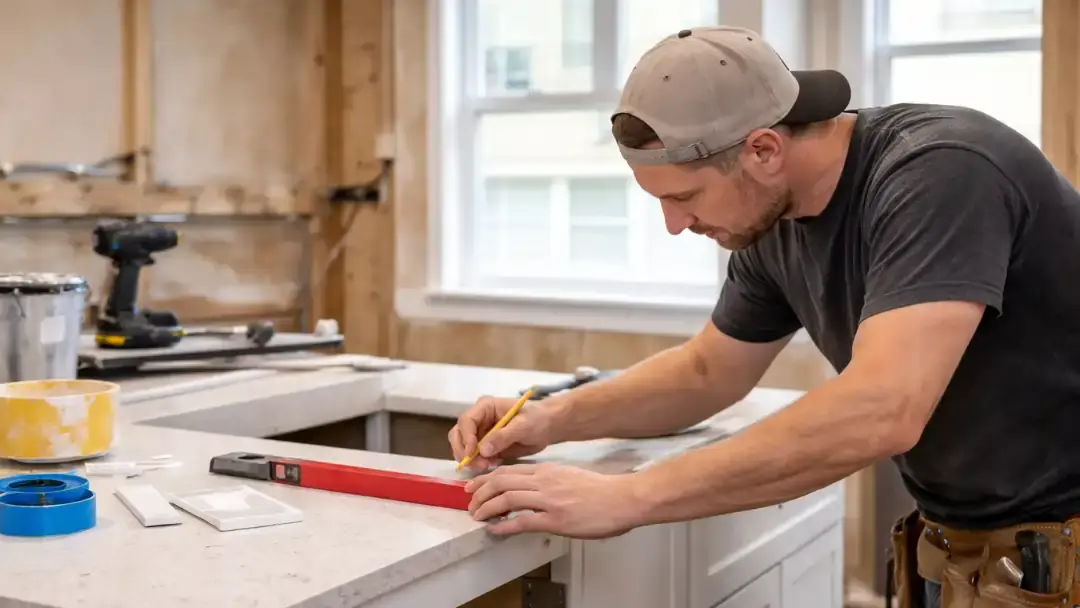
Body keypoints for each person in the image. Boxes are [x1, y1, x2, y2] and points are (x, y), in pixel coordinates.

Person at [448, 25, 1080, 608]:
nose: (675, 225)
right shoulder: (772, 219)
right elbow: (707, 371)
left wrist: (627, 497)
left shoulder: (940, 174)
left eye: (685, 196)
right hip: (970, 549)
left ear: (764, 149)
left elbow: (882, 409)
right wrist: (550, 418)